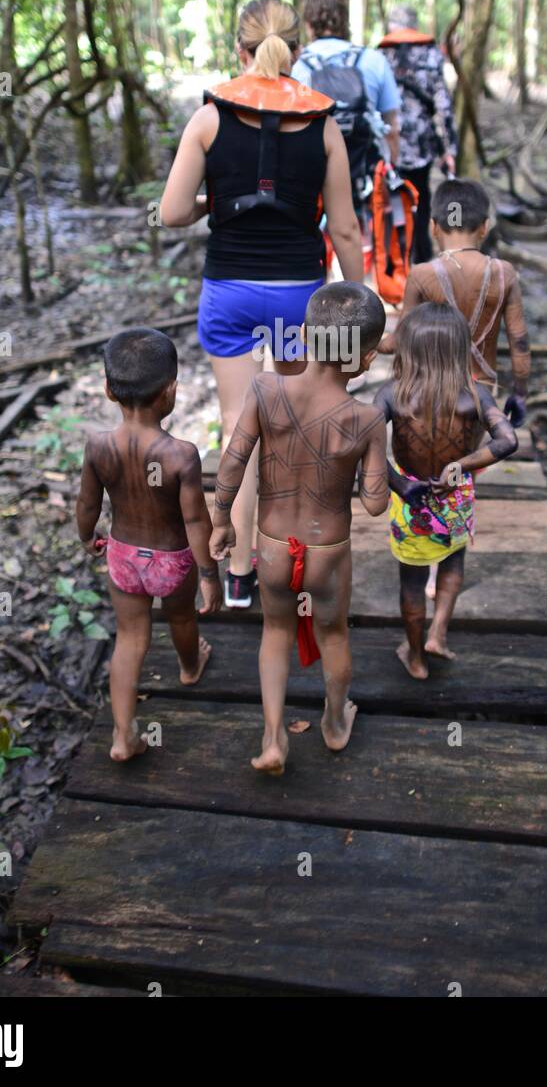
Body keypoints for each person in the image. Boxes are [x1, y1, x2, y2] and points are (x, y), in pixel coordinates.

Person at [162, 0, 363, 610]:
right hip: (299, 299)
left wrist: (214, 204)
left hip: (229, 295)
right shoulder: (324, 124)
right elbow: (347, 231)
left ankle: (241, 574)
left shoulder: (208, 119)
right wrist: (360, 302)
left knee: (239, 430)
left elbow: (171, 213)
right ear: (295, 53)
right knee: (295, 431)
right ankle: (294, 563)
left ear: (239, 51)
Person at [209, 283, 389, 775]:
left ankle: (272, 737)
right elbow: (374, 504)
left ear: (306, 335)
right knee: (332, 634)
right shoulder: (368, 419)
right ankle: (333, 724)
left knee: (275, 630)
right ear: (367, 358)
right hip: (327, 551)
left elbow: (233, 461)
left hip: (271, 546)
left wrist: (221, 520)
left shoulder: (265, 390)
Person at [75, 328, 221, 762]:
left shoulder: (98, 446)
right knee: (180, 618)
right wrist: (209, 575)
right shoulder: (181, 454)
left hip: (123, 555)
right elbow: (196, 519)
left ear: (107, 389)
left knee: (130, 638)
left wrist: (87, 537)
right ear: (171, 391)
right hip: (172, 560)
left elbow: (88, 503)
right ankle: (191, 667)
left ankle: (123, 736)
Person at [374, 303, 518, 680]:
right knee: (454, 561)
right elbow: (508, 439)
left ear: (408, 349)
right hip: (456, 496)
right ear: (459, 348)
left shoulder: (392, 394)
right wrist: (461, 466)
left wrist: (401, 483)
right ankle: (438, 633)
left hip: (411, 500)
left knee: (412, 581)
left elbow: (365, 447)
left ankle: (417, 657)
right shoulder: (476, 394)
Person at [380, 179, 530, 426]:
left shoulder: (422, 275)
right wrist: (520, 394)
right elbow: (519, 341)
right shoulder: (505, 274)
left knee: (424, 461)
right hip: (479, 397)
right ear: (485, 228)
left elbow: (399, 340)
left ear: (433, 227)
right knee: (470, 461)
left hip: (427, 395)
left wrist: (367, 342)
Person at [292, 0, 401, 241]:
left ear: (309, 24)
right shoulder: (374, 60)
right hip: (365, 181)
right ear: (344, 21)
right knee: (365, 249)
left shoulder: (295, 64)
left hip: (309, 186)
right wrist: (391, 171)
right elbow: (392, 128)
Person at [377, 5, 458, 264]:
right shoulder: (431, 53)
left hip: (387, 148)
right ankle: (423, 266)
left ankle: (394, 272)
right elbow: (443, 106)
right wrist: (448, 150)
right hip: (422, 148)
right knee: (421, 207)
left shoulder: (379, 56)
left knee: (391, 207)